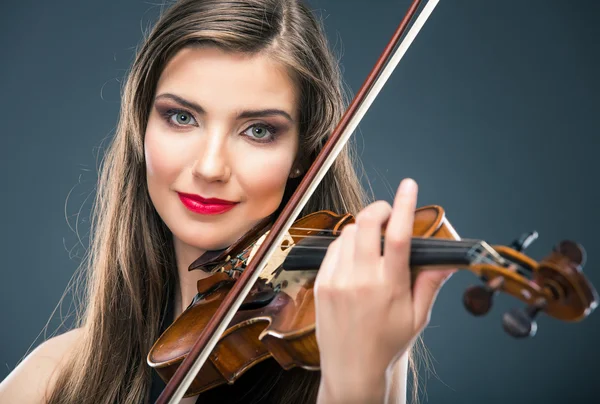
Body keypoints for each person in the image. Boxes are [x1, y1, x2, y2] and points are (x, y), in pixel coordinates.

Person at [0, 0, 453, 403]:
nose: (211, 167)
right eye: (181, 117)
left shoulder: (358, 366)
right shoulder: (54, 380)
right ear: (142, 128)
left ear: (302, 154)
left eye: (258, 130)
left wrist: (357, 384)